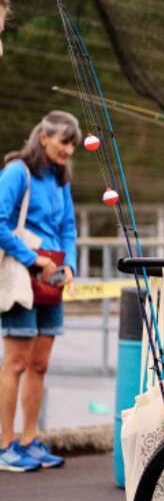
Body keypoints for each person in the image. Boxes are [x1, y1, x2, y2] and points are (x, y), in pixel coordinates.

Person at [0, 111, 81, 472]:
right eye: (65, 142)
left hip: (53, 278)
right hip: (22, 274)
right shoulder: (18, 171)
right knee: (15, 363)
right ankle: (5, 444)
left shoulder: (61, 180)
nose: (69, 151)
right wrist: (33, 259)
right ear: (44, 136)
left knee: (40, 364)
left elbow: (69, 229)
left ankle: (30, 440)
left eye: (73, 145)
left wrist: (70, 266)